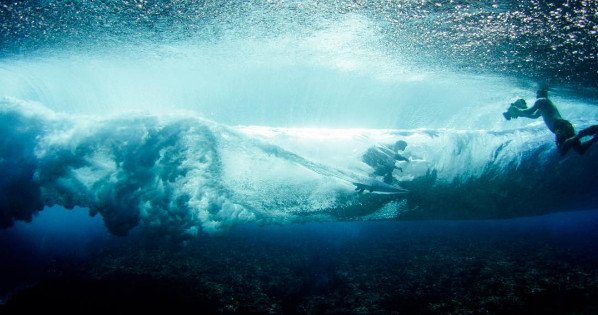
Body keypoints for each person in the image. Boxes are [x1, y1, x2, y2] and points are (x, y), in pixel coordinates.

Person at [505, 90, 598, 156]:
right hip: (565, 124)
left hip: (559, 126)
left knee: (562, 151)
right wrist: (520, 114)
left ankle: (582, 134)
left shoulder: (540, 100)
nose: (536, 94)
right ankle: (595, 138)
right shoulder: (545, 103)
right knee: (580, 150)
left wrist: (517, 109)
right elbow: (534, 116)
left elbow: (528, 111)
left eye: (537, 92)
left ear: (540, 93)